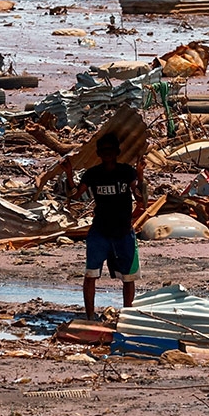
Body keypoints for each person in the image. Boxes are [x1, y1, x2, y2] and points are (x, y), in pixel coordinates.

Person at [64, 133, 145, 319]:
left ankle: (127, 316)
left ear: (117, 152)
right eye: (104, 150)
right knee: (91, 274)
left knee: (128, 277)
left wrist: (140, 174)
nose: (107, 154)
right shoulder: (93, 174)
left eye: (111, 150)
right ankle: (90, 315)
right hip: (100, 231)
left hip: (123, 231)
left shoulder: (126, 172)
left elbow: (140, 197)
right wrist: (68, 173)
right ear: (99, 153)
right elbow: (76, 195)